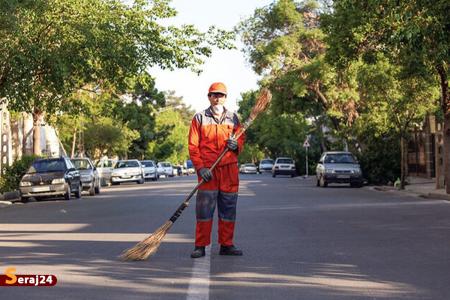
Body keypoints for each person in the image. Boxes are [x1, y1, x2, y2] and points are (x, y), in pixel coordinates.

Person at [188, 82, 245, 258]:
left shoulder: (234, 118)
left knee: (228, 209)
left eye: (220, 95)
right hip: (208, 172)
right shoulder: (199, 118)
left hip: (229, 170)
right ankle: (200, 245)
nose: (217, 98)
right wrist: (200, 168)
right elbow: (193, 146)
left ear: (225, 98)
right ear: (209, 97)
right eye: (214, 95)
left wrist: (236, 145)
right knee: (204, 211)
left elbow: (241, 139)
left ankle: (226, 245)